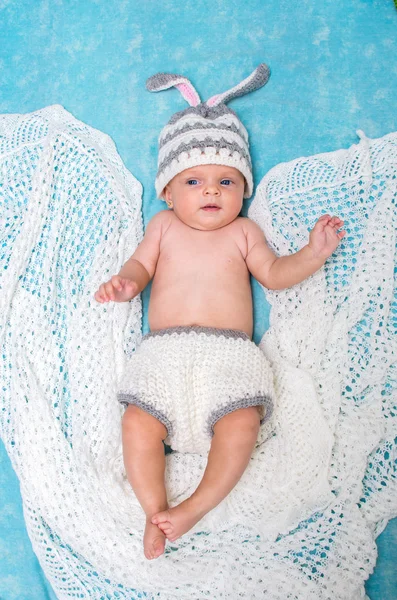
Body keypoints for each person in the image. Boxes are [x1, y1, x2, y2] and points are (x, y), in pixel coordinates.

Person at [94, 65, 346, 560]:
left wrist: (312, 254)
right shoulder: (162, 226)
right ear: (167, 190)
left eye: (226, 181)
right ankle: (154, 512)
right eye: (194, 180)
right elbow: (141, 265)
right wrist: (127, 283)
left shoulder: (243, 233)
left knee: (242, 426)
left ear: (244, 189)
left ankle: (196, 507)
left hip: (230, 359)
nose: (211, 191)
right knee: (137, 424)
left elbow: (274, 273)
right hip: (163, 356)